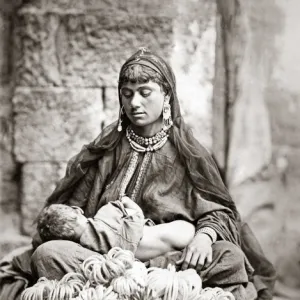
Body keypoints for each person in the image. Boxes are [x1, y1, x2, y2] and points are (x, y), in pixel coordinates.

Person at [0, 48, 276, 300]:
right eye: (127, 93)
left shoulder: (189, 153)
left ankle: (128, 284)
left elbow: (221, 212)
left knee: (229, 258)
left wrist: (204, 237)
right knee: (47, 255)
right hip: (105, 255)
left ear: (166, 95)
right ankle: (149, 285)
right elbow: (73, 207)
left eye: (145, 92)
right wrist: (88, 227)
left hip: (170, 257)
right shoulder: (106, 149)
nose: (134, 102)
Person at [36, 198, 195, 261]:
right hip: (180, 232)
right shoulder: (107, 212)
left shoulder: (89, 251)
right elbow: (137, 214)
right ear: (78, 210)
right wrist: (125, 201)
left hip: (161, 255)